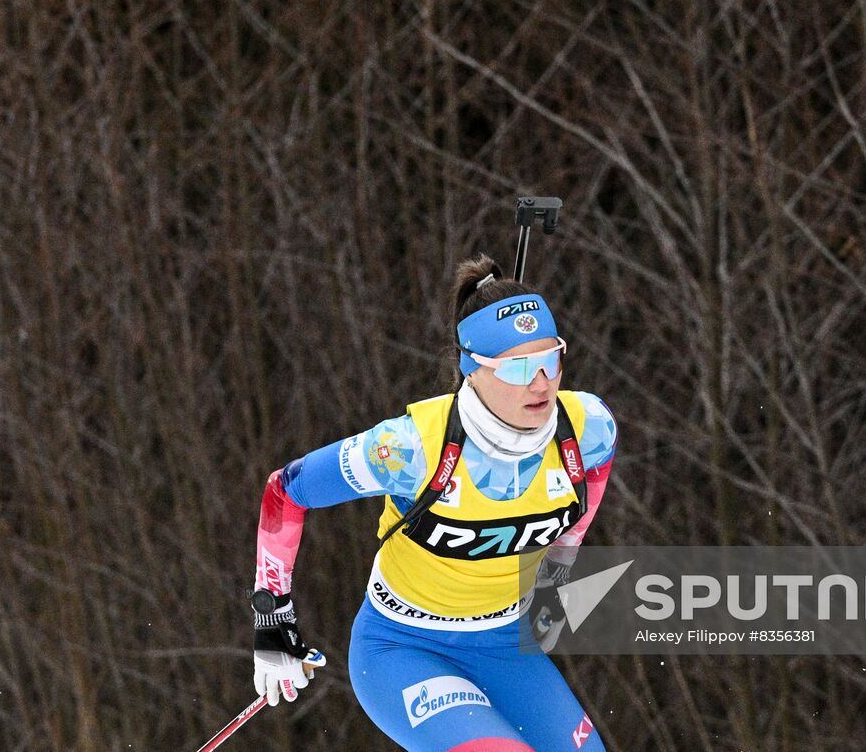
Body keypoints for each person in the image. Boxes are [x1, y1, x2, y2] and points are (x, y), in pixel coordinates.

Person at [249, 254, 616, 750]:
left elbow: (595, 473)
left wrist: (560, 562)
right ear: (472, 368)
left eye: (550, 359)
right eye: (518, 367)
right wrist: (273, 617)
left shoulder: (587, 426)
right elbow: (286, 489)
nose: (541, 383)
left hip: (506, 645)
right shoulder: (410, 449)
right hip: (402, 649)